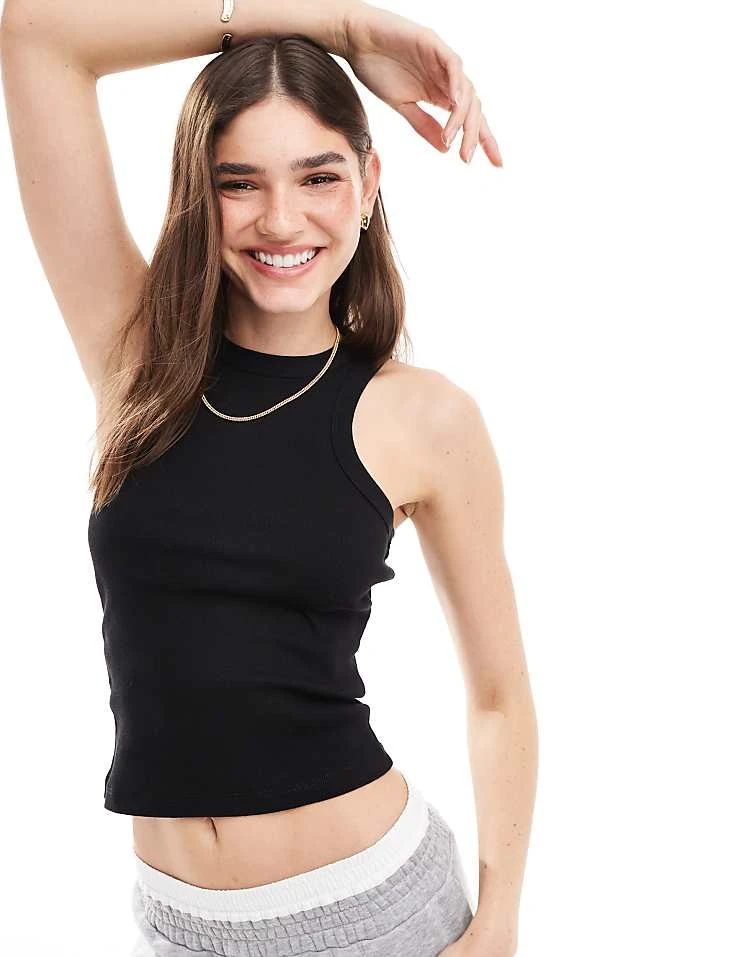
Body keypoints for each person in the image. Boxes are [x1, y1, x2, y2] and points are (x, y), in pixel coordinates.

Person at [0, 1, 536, 955]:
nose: (281, 219)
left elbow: (499, 695)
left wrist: (497, 923)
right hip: (176, 923)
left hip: (372, 914)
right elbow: (36, 35)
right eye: (238, 183)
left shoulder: (425, 417)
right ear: (197, 195)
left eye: (318, 176)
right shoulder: (137, 358)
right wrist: (343, 28)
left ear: (369, 183)